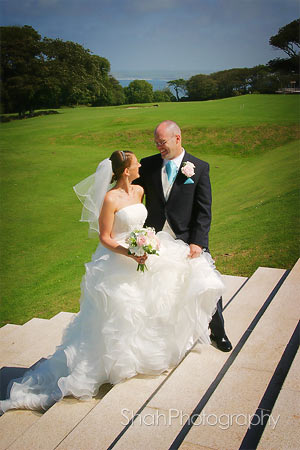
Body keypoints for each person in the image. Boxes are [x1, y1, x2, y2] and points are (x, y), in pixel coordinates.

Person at [0, 150, 224, 414]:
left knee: (154, 300)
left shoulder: (139, 191)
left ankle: (145, 355)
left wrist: (147, 244)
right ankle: (110, 365)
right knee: (121, 312)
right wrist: (130, 252)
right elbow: (105, 237)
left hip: (144, 256)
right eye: (135, 162)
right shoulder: (109, 198)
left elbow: (147, 221)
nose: (141, 164)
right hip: (118, 260)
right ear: (125, 170)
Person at [134, 120, 232, 352]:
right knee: (156, 290)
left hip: (188, 240)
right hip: (155, 239)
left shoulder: (199, 167)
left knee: (208, 284)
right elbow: (130, 190)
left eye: (163, 142)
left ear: (177, 138)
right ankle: (159, 337)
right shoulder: (147, 165)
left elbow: (203, 210)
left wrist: (198, 242)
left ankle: (218, 332)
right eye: (156, 142)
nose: (159, 146)